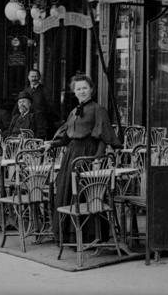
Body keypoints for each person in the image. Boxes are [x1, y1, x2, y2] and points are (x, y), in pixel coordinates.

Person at [47, 74, 121, 239]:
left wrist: (97, 158)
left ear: (91, 90)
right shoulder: (73, 112)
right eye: (78, 89)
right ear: (74, 91)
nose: (82, 91)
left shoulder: (98, 109)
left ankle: (88, 236)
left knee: (85, 194)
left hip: (88, 154)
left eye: (85, 88)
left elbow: (103, 136)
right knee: (67, 192)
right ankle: (69, 236)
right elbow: (67, 137)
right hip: (71, 155)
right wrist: (52, 144)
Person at [25, 69, 56, 137]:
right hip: (28, 124)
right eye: (32, 76)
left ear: (39, 77)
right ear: (28, 77)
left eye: (36, 76)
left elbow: (50, 108)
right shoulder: (26, 91)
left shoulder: (45, 90)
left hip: (41, 125)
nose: (33, 79)